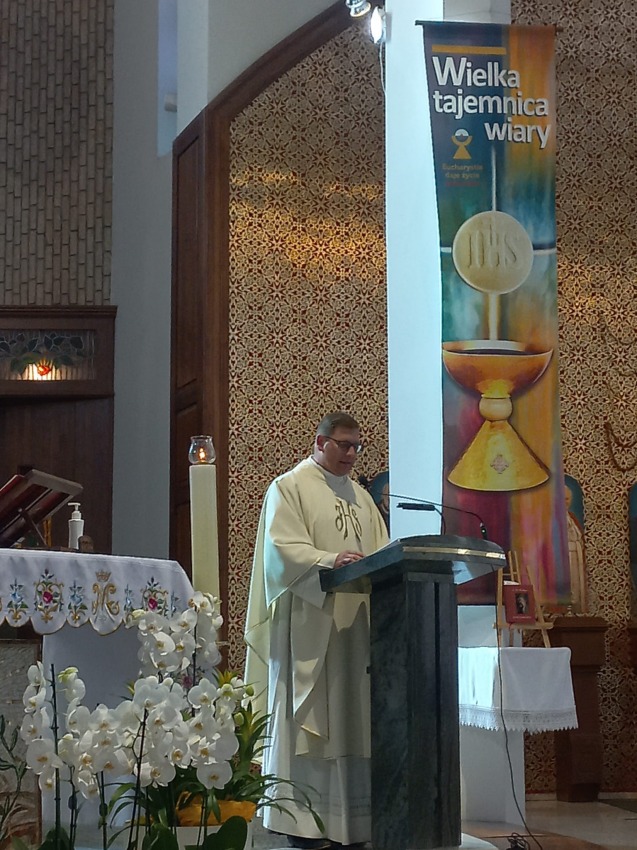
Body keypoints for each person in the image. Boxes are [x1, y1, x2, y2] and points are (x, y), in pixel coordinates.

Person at [244, 412, 389, 850]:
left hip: (355, 630)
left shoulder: (362, 498)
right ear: (320, 442)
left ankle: (353, 824)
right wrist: (329, 561)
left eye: (357, 446)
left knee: (352, 715)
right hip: (311, 624)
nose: (351, 454)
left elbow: (383, 553)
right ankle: (302, 822)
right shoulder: (289, 487)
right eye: (344, 444)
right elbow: (282, 551)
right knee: (313, 719)